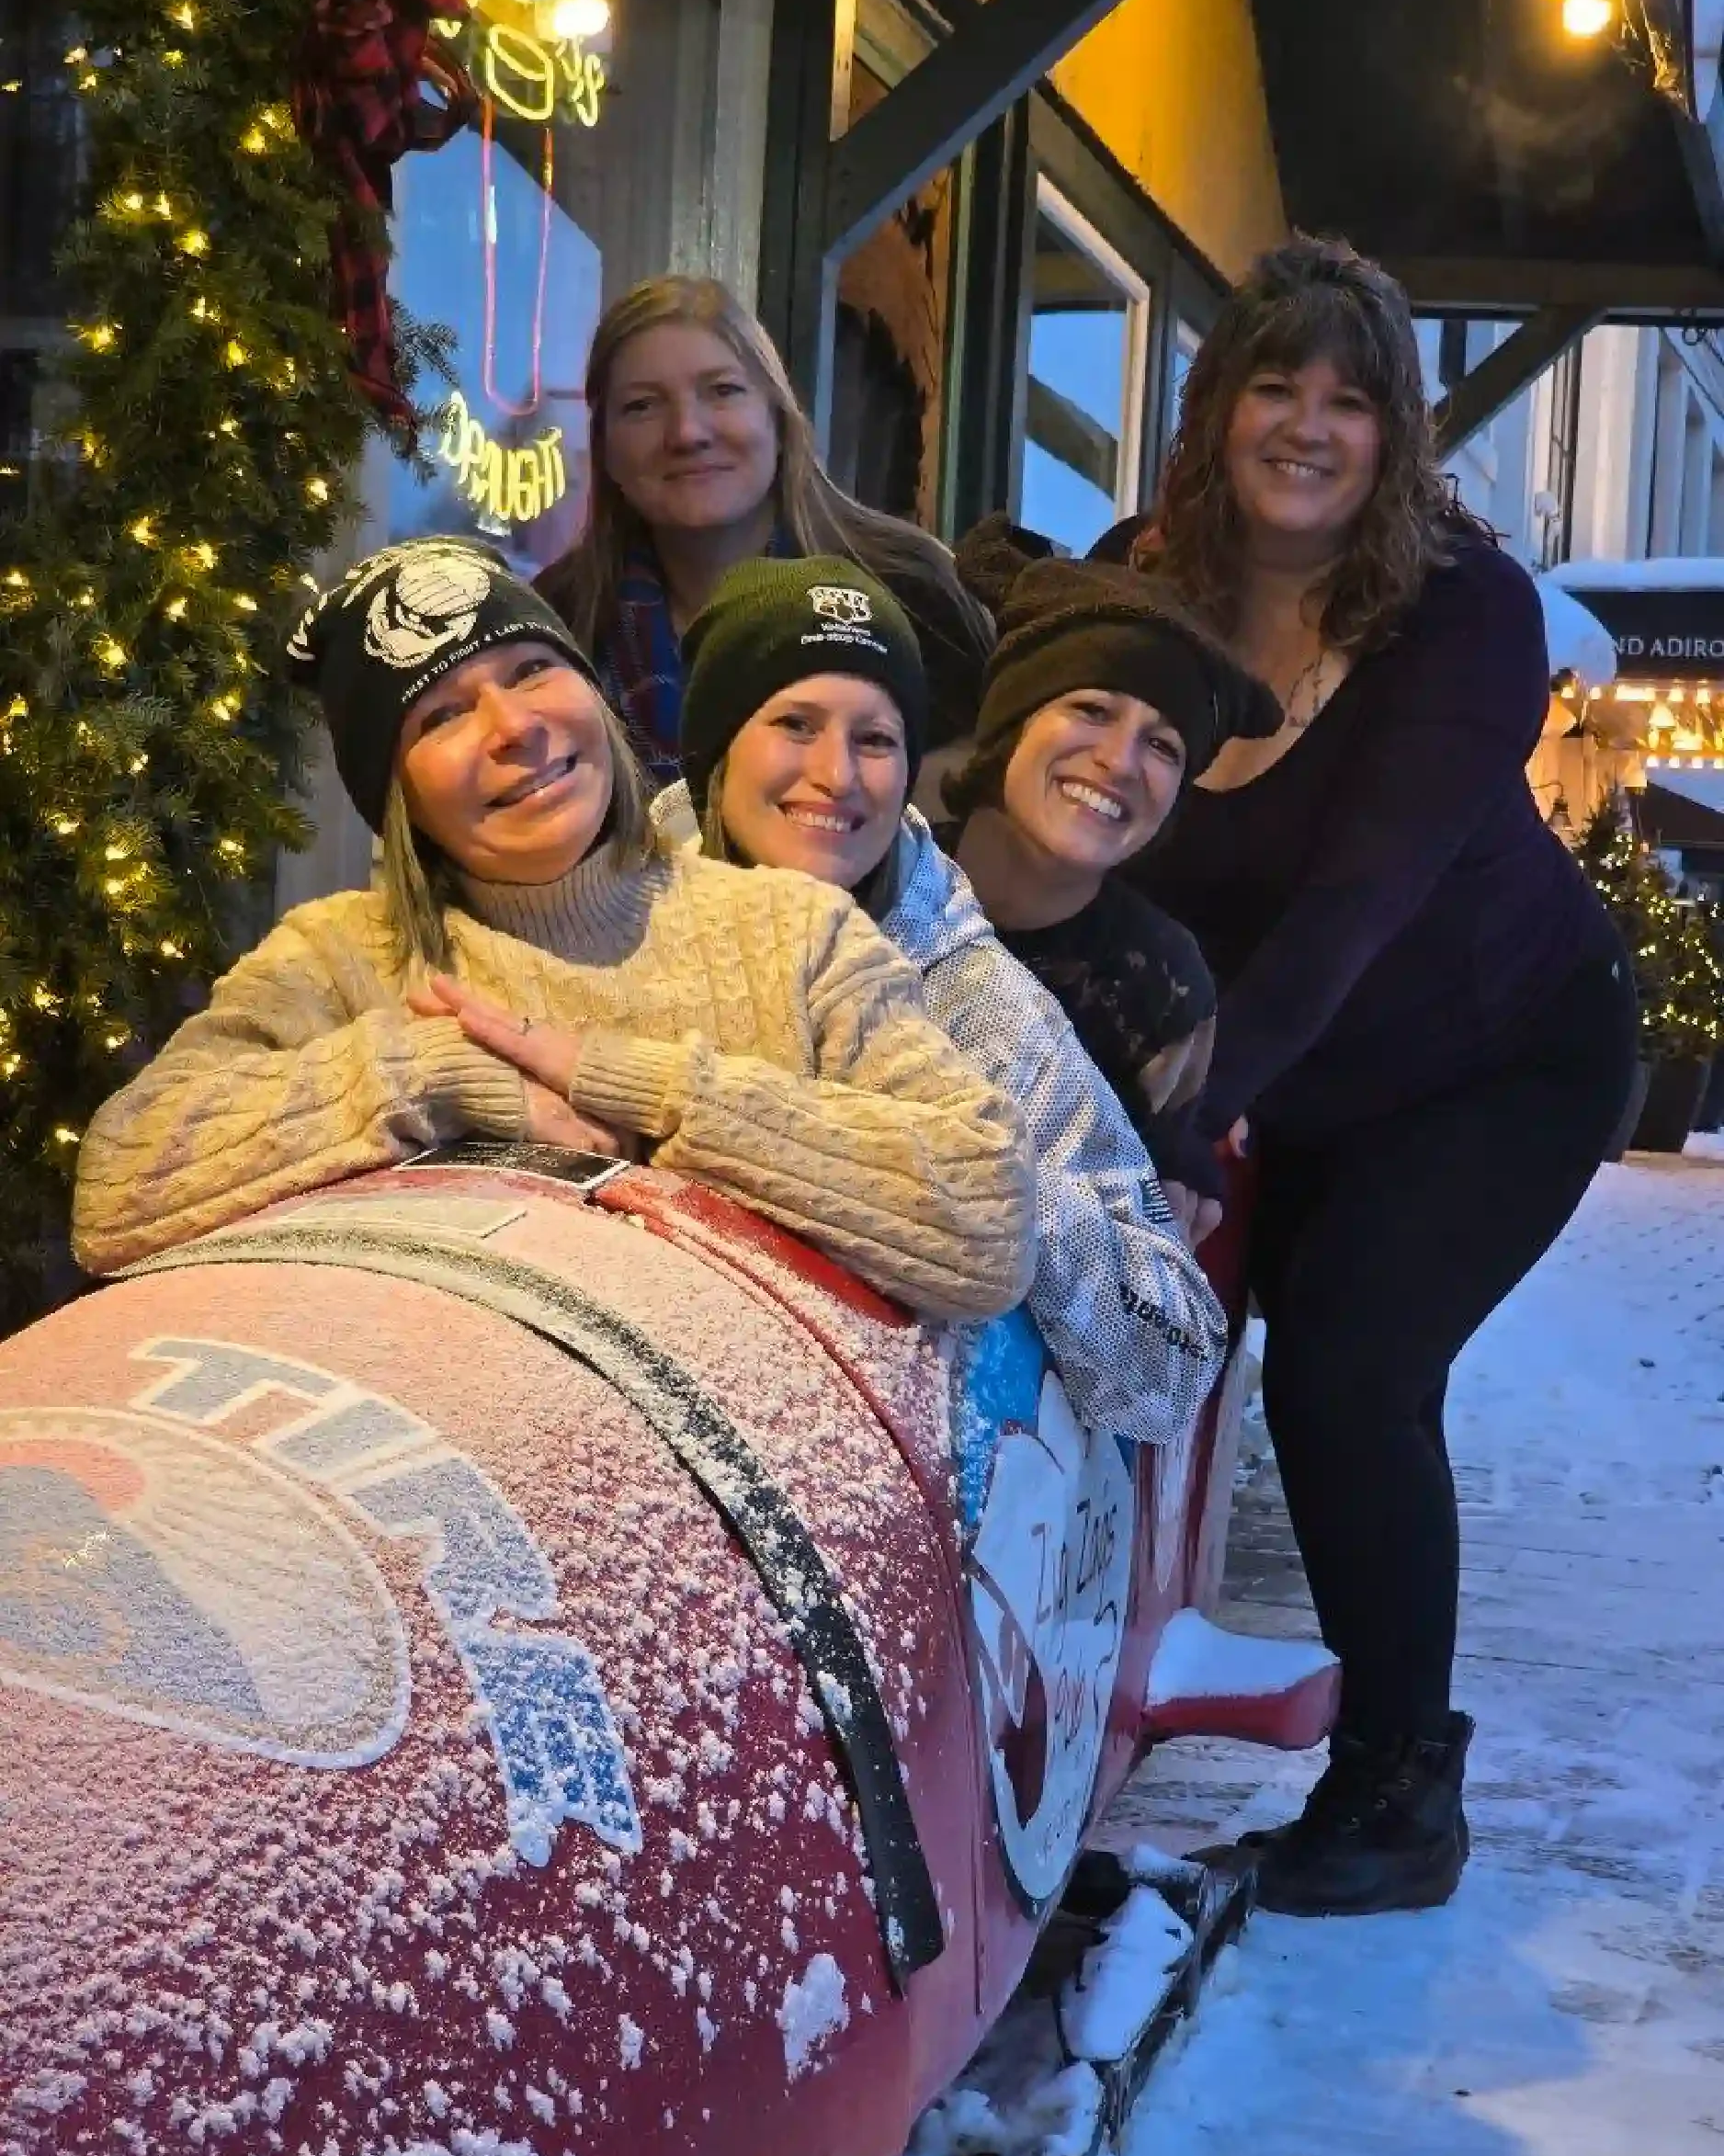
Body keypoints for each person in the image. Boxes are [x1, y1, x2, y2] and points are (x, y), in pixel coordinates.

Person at [1113, 237, 1639, 1917]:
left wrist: (1178, 1113)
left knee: (1343, 1369)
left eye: (1350, 398)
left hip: (1503, 1059)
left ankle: (1400, 1786)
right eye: (1274, 384)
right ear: (1214, 409)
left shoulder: (1461, 614)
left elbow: (1351, 913)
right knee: (1167, 1333)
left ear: (1395, 435)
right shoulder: (1142, 586)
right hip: (1307, 1079)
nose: (1308, 426)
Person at [72, 536, 1036, 1329]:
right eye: (441, 715)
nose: (512, 727)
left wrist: (646, 1085)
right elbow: (117, 1186)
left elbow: (987, 1223)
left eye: (532, 669)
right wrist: (436, 1076)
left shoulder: (792, 930)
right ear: (396, 792)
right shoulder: (341, 957)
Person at [654, 552, 1229, 1447]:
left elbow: (1173, 1366)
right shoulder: (608, 920)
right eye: (795, 723)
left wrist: (990, 1185)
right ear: (715, 749)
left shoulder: (974, 1001)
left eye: (875, 739)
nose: (837, 774)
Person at [938, 514, 1283, 1248]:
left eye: (1162, 744)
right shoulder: (880, 881)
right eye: (1091, 709)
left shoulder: (1162, 987)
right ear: (1010, 723)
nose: (1120, 762)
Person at [533, 274, 992, 779]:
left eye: (722, 391)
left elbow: (975, 788)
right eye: (642, 405)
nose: (687, 433)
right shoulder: (558, 619)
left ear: (778, 419)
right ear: (605, 448)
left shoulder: (911, 589)